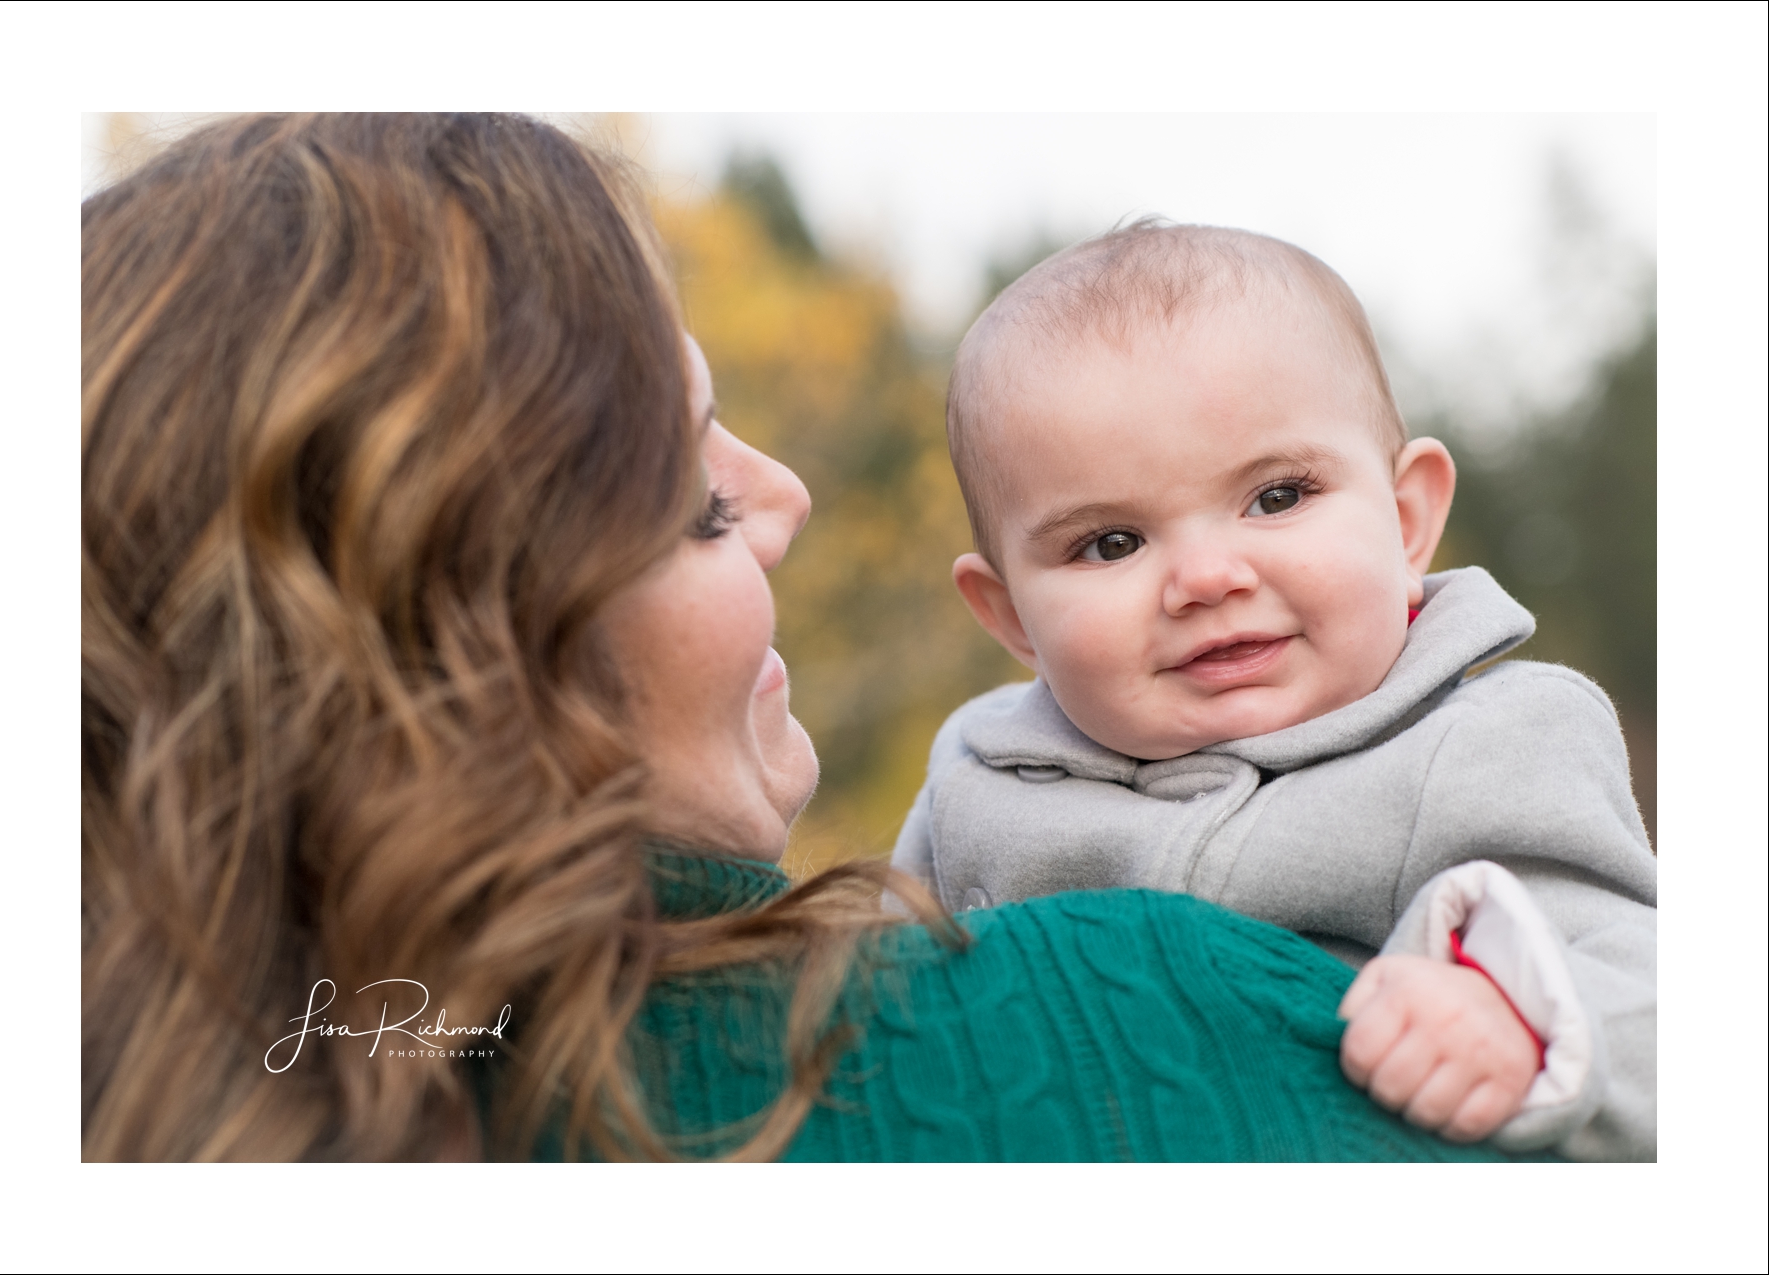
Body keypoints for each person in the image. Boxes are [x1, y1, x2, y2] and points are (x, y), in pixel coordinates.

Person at [82, 113, 1533, 1162]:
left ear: (1412, 511)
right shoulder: (1120, 1013)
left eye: (1277, 495)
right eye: (699, 501)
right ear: (469, 644)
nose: (786, 498)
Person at [892, 221, 1656, 1160]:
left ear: (1407, 519)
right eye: (1111, 543)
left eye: (1278, 497)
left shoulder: (1492, 742)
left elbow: (1650, 993)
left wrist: (1520, 1017)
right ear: (1010, 615)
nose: (1208, 577)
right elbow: (861, 1005)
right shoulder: (978, 780)